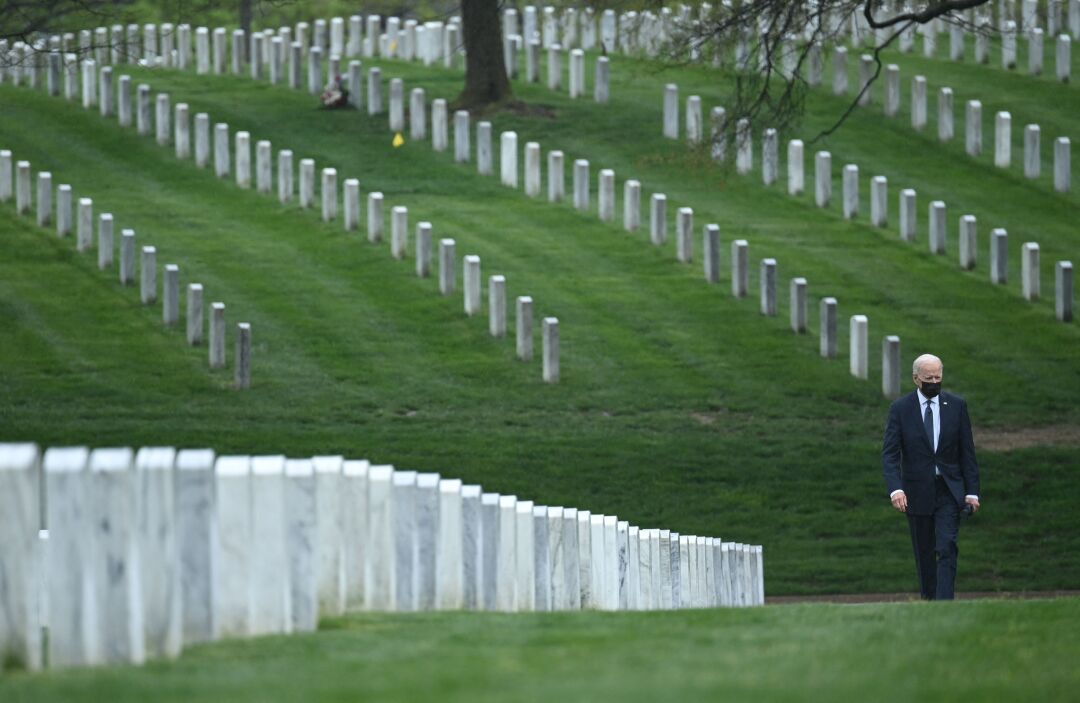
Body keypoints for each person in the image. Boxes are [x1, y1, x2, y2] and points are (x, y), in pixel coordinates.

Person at [881, 353, 981, 600]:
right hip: (917, 492)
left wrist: (972, 492)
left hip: (949, 490)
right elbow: (890, 454)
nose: (934, 382)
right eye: (928, 378)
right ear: (916, 379)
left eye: (938, 377)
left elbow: (967, 452)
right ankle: (929, 599)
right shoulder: (901, 409)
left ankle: (945, 601)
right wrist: (896, 489)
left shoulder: (956, 406)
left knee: (947, 545)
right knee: (924, 551)